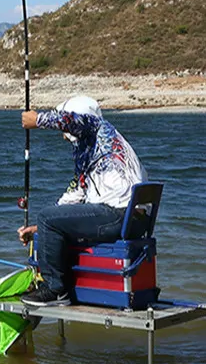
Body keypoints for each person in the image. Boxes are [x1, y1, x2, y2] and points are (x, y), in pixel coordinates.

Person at [17, 94, 147, 307]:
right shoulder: (107, 142)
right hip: (133, 219)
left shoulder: (94, 126)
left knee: (47, 217)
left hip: (116, 214)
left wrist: (38, 120)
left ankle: (55, 290)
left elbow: (73, 121)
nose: (64, 136)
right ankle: (64, 281)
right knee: (48, 219)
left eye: (65, 131)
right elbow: (77, 191)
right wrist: (40, 228)